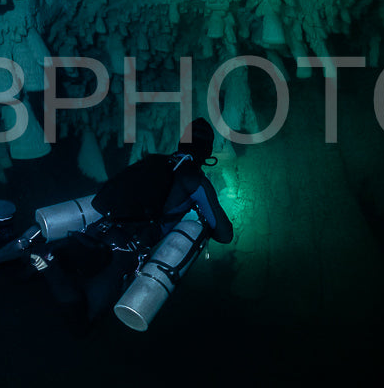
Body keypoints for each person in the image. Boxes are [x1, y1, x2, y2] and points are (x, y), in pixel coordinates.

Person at [30, 117, 234, 330]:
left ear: (181, 142)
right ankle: (51, 266)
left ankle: (47, 260)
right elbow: (225, 234)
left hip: (100, 227)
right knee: (83, 322)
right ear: (208, 152)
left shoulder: (152, 160)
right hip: (126, 248)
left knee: (70, 271)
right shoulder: (196, 181)